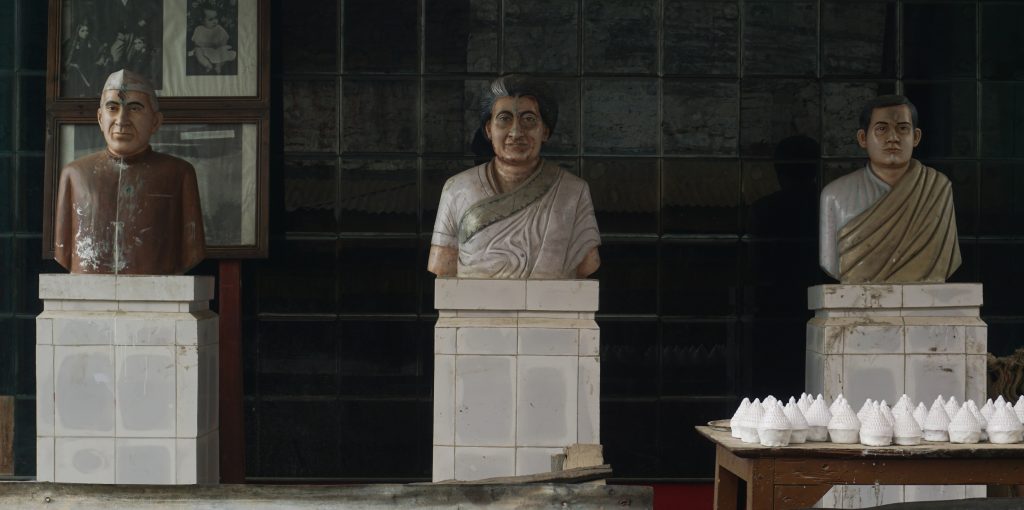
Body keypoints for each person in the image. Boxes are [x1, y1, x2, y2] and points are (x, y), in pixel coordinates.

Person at [428, 75, 601, 279]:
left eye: (529, 119)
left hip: (552, 298)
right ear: (489, 129)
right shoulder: (457, 189)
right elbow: (443, 266)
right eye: (504, 119)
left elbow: (587, 264)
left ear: (545, 131)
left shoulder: (573, 192)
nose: (516, 132)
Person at [53, 69, 206, 275]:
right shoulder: (75, 174)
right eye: (112, 108)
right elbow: (63, 252)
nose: (122, 119)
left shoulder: (179, 174)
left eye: (134, 108)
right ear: (100, 118)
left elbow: (191, 252)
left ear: (155, 121)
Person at [819, 95, 961, 283]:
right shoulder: (834, 195)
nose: (893, 138)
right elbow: (830, 263)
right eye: (881, 129)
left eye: (902, 128)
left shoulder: (938, 188)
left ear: (916, 137)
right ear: (863, 138)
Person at [190, 7, 236, 74]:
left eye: (216, 18)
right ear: (202, 21)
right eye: (210, 19)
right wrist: (207, 45)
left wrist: (220, 45)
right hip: (205, 51)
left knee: (223, 51)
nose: (215, 21)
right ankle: (207, 64)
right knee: (197, 51)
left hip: (217, 50)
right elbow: (196, 43)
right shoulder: (199, 29)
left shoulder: (219, 28)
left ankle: (218, 66)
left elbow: (224, 41)